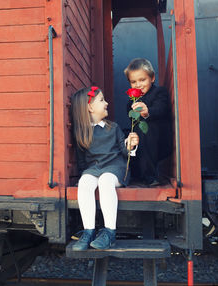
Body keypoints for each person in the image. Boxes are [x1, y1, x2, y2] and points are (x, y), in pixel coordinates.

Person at [71, 86, 139, 251]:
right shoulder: (82, 132)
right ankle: (89, 231)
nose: (106, 103)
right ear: (89, 107)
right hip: (94, 168)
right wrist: (81, 176)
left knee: (105, 181)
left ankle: (109, 231)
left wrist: (130, 145)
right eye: (102, 100)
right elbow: (82, 161)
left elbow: (124, 152)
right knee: (85, 182)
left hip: (115, 168)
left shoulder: (112, 128)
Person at [124, 58, 172, 186]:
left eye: (142, 80)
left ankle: (150, 176)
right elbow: (131, 118)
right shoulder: (132, 101)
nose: (138, 85)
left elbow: (161, 109)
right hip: (142, 142)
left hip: (159, 140)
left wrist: (147, 112)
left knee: (147, 128)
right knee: (128, 135)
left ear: (152, 78)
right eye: (133, 82)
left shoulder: (159, 92)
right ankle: (133, 173)